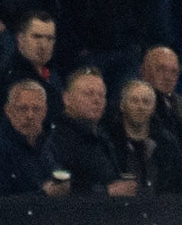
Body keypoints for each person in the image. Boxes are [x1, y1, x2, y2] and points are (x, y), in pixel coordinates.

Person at [50, 66, 135, 194]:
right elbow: (60, 190)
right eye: (88, 94)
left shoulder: (103, 138)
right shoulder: (56, 140)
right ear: (67, 99)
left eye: (101, 95)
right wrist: (106, 192)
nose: (97, 100)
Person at [0, 79, 68, 195]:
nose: (30, 116)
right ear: (8, 111)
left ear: (45, 112)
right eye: (23, 109)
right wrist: (43, 194)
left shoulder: (50, 145)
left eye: (36, 109)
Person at [109, 78, 182, 192]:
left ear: (153, 107)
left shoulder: (167, 143)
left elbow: (179, 183)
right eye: (134, 101)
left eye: (146, 102)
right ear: (122, 105)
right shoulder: (109, 142)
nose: (140, 107)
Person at [0, 11, 63, 120]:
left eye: (49, 38)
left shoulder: (53, 75)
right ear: (20, 39)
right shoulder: (6, 78)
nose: (43, 45)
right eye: (36, 37)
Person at [140, 44, 182, 154]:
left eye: (174, 72)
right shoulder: (136, 102)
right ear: (144, 72)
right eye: (161, 69)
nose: (168, 77)